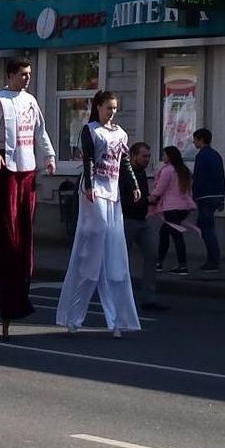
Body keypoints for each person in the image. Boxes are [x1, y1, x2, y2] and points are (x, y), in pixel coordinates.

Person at [54, 91, 139, 337]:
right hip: (94, 191)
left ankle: (117, 320)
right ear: (98, 107)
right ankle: (74, 316)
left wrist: (133, 185)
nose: (111, 112)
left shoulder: (120, 133)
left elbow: (124, 163)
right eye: (108, 107)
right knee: (96, 238)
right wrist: (90, 185)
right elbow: (89, 159)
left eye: (115, 108)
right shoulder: (91, 130)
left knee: (114, 257)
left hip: (112, 194)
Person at [0, 58, 57, 338]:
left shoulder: (30, 101)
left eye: (29, 74)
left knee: (24, 233)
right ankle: (9, 285)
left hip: (27, 171)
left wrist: (49, 155)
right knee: (7, 232)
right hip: (6, 170)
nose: (27, 78)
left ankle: (22, 282)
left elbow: (40, 131)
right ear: (11, 75)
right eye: (23, 74)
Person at [119, 141, 165, 312]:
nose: (147, 159)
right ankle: (122, 297)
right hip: (126, 220)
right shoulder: (124, 173)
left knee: (152, 254)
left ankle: (149, 299)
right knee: (123, 260)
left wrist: (150, 201)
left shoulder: (142, 173)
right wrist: (146, 200)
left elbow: (143, 197)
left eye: (148, 156)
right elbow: (124, 200)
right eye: (144, 156)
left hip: (142, 220)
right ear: (133, 156)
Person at [152, 145, 198, 275]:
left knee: (175, 236)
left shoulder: (168, 171)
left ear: (170, 156)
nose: (162, 157)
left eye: (164, 154)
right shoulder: (184, 170)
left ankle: (181, 266)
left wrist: (151, 198)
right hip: (183, 207)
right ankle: (160, 263)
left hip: (171, 207)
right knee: (165, 233)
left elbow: (160, 188)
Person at [191, 128, 224, 272]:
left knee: (207, 229)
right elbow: (222, 177)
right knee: (206, 226)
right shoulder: (216, 155)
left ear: (201, 139)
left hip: (204, 196)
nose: (194, 142)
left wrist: (194, 196)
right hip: (216, 196)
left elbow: (198, 178)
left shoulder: (201, 156)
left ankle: (213, 261)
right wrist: (222, 197)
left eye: (195, 140)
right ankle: (213, 260)